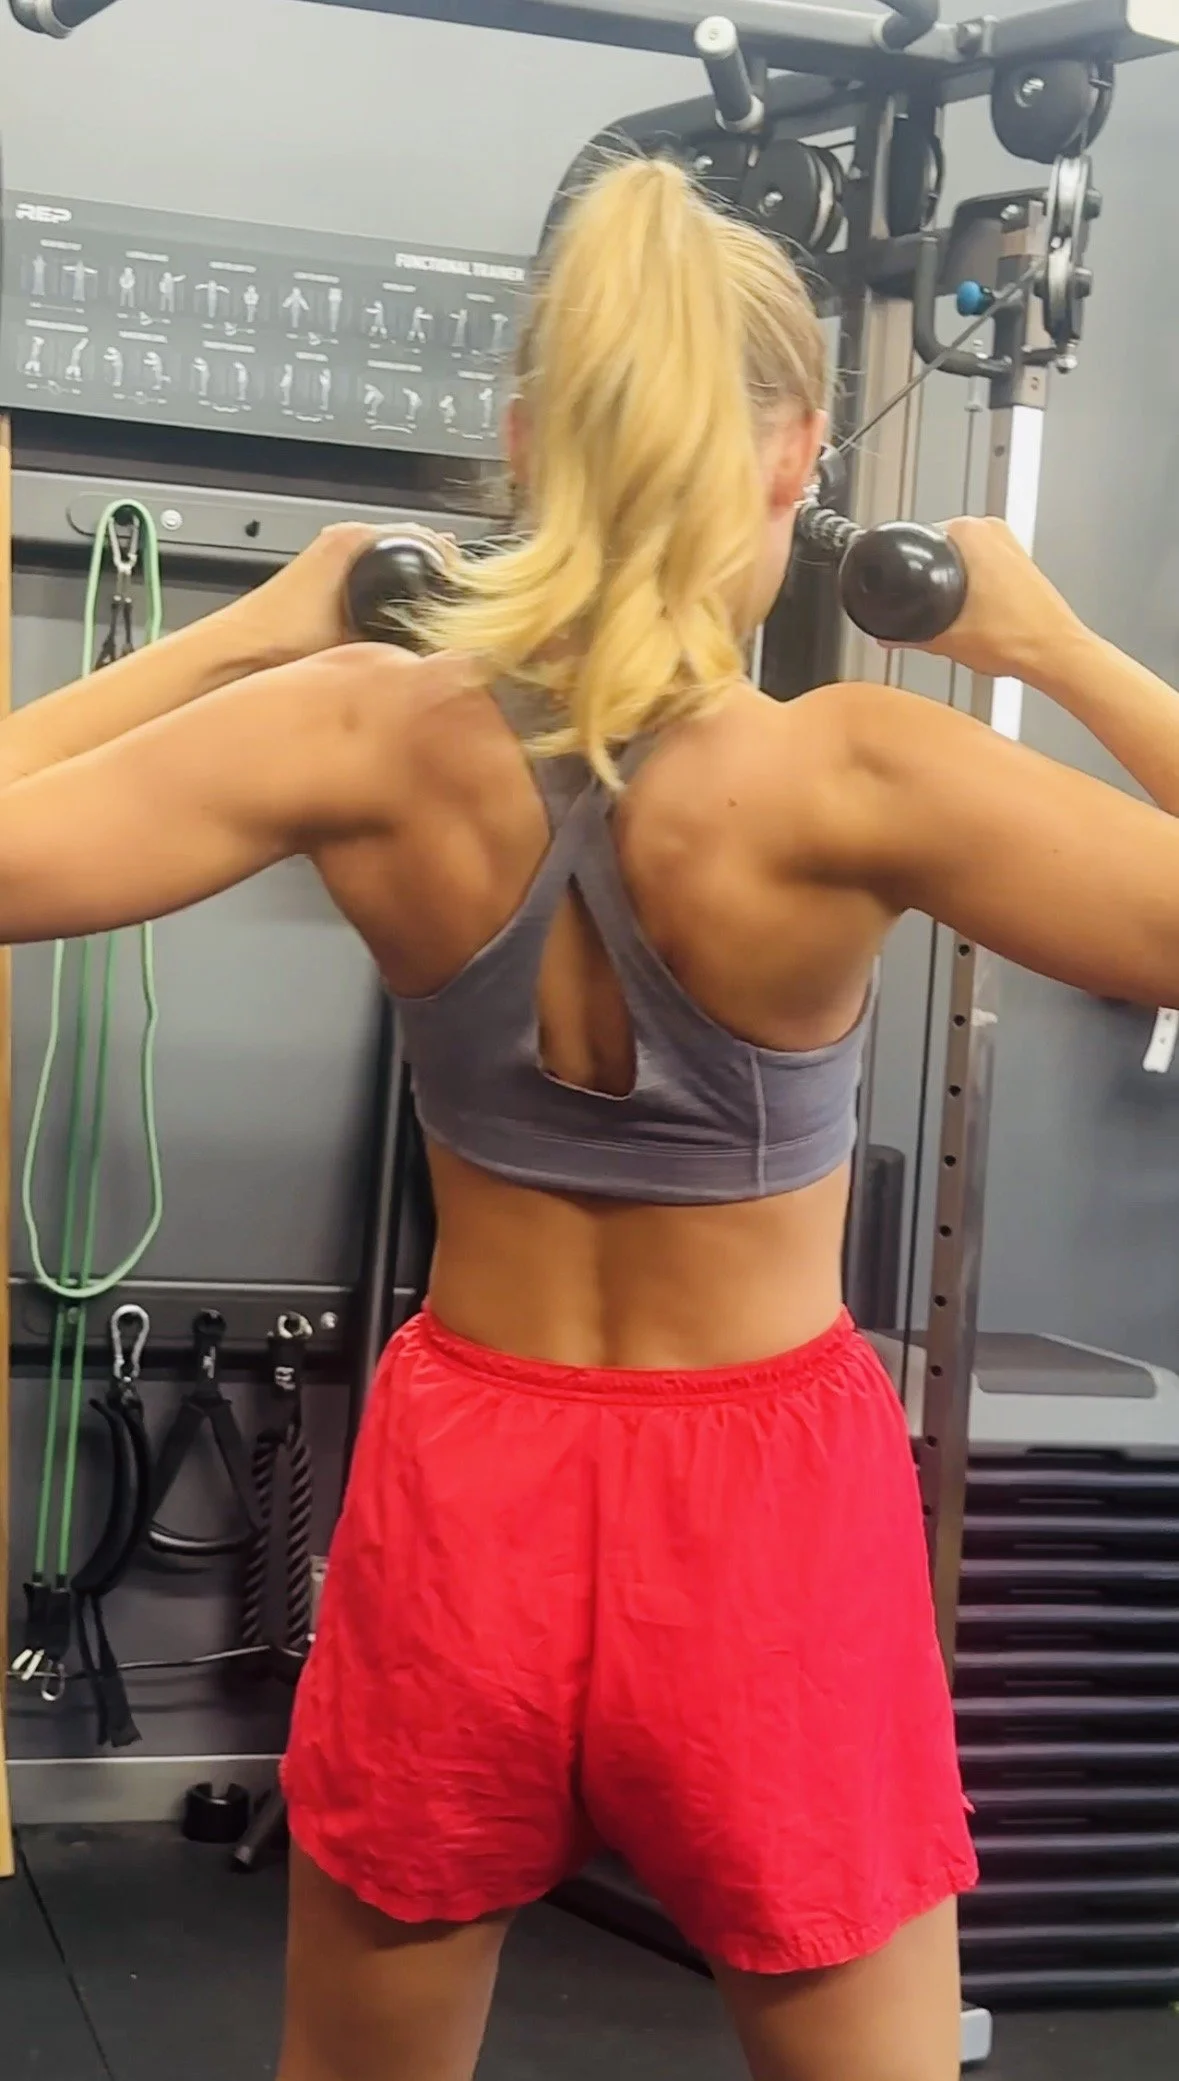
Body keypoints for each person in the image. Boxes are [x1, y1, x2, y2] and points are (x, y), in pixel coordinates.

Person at [2, 159, 1179, 2081]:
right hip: (770, 1512)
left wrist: (240, 637)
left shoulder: (364, 735)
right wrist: (1050, 645)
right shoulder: (852, 772)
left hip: (473, 1475)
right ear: (798, 452)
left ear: (527, 439)